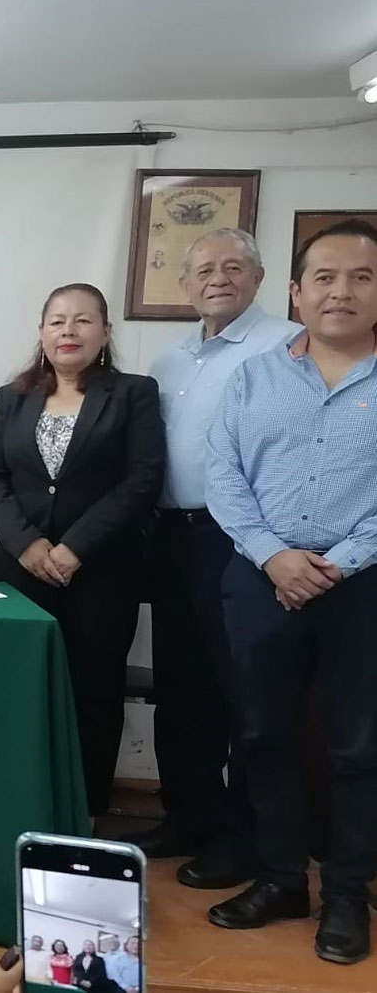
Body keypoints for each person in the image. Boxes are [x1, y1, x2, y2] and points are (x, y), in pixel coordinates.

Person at [204, 219, 377, 966]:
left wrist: (338, 563)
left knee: (358, 747)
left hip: (361, 586)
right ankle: (279, 880)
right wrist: (274, 556)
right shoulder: (254, 377)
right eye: (326, 278)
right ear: (297, 293)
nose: (342, 292)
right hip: (260, 577)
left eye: (362, 277)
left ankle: (346, 894)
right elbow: (222, 473)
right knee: (263, 735)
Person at [129, 229, 297, 889]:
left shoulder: (286, 344)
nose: (217, 279)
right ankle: (188, 817)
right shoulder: (169, 359)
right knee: (183, 688)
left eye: (232, 267)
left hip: (242, 539)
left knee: (243, 690)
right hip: (172, 536)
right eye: (203, 270)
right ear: (185, 285)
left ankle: (242, 837)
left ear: (259, 277)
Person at [0, 283, 164, 820]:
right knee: (18, 688)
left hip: (102, 569)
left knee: (94, 693)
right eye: (58, 320)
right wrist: (27, 543)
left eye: (83, 320)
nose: (69, 330)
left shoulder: (133, 393)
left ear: (105, 331)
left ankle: (85, 814)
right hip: (21, 570)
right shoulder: (12, 397)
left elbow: (141, 479)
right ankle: (18, 804)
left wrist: (74, 548)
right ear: (41, 332)